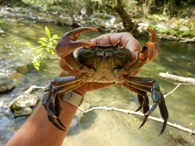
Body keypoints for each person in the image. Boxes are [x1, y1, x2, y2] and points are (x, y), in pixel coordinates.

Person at [7, 31, 141, 146]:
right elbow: (62, 53)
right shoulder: (76, 66)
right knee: (53, 87)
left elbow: (145, 56)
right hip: (83, 75)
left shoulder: (127, 62)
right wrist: (74, 86)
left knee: (151, 85)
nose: (102, 56)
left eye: (114, 52)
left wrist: (142, 56)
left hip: (105, 74)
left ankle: (145, 110)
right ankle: (54, 116)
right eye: (92, 52)